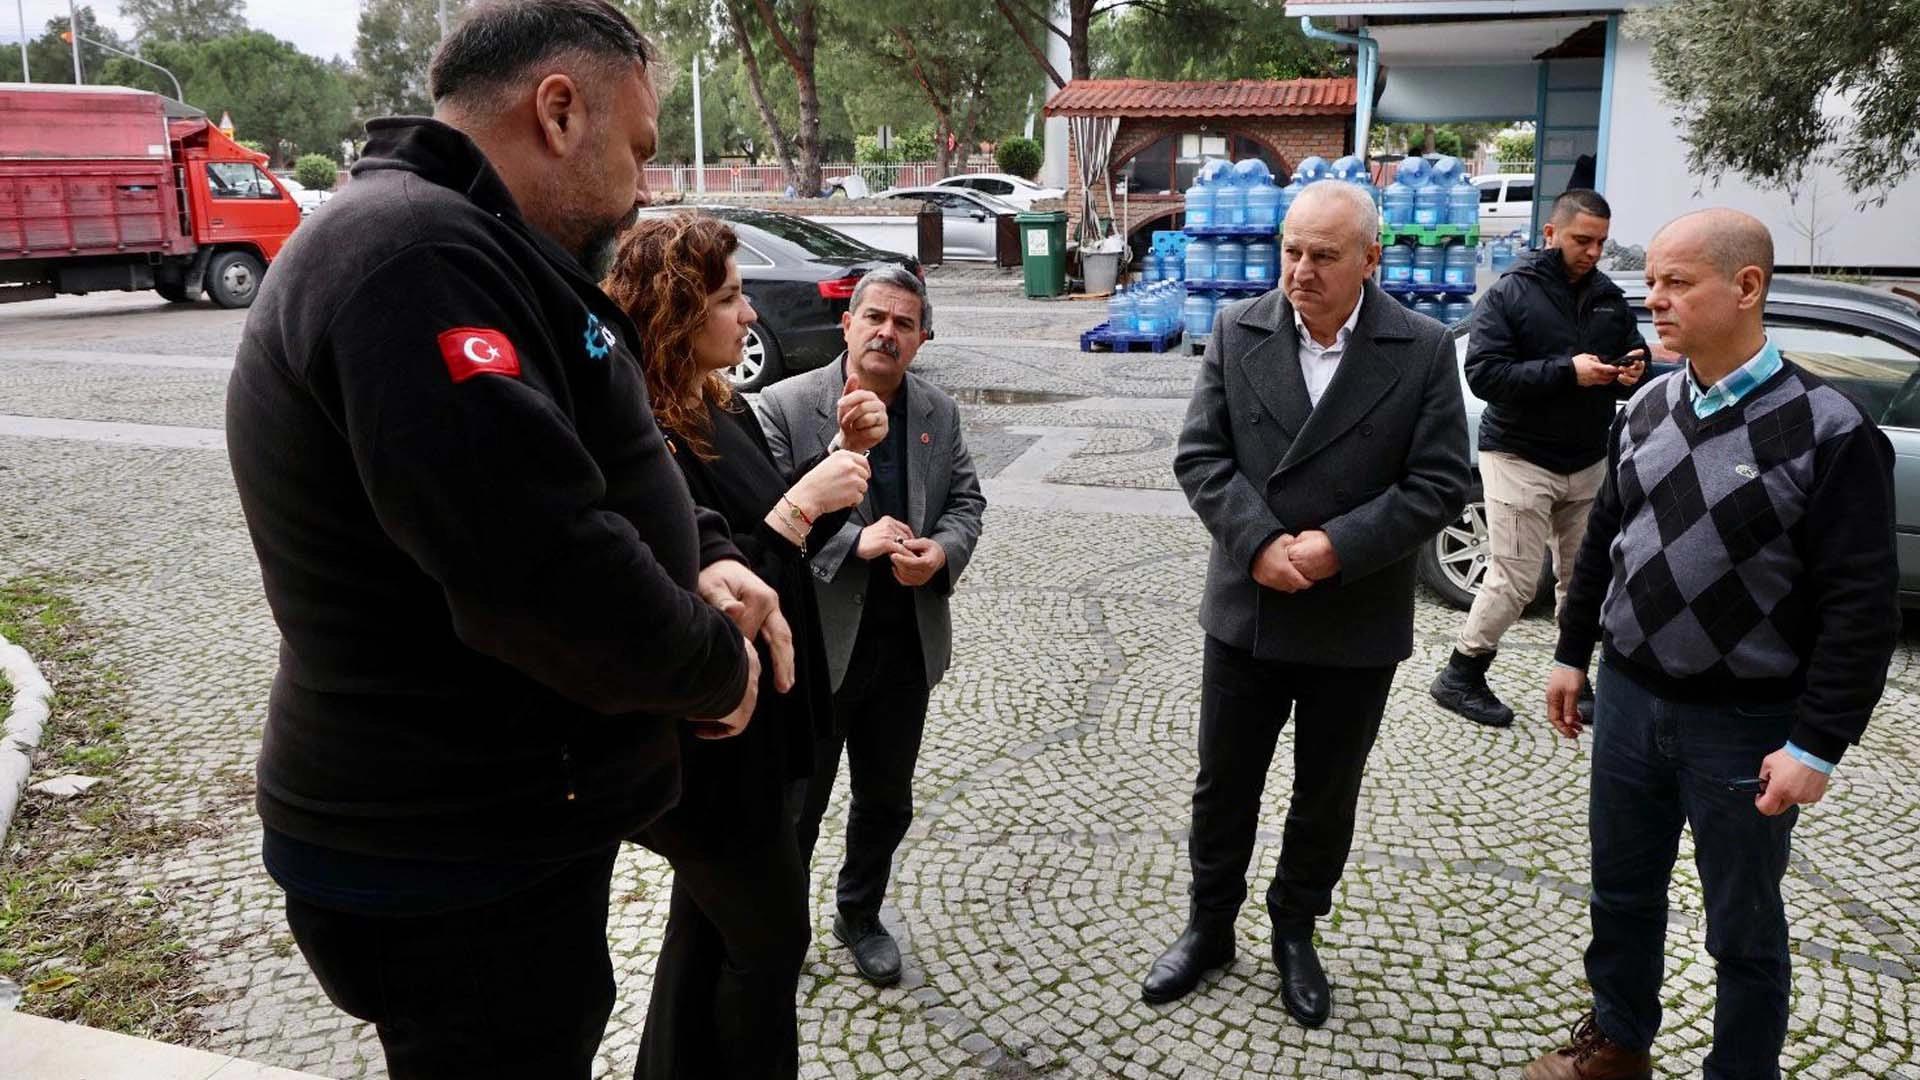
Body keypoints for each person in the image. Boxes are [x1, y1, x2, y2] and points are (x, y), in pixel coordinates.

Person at [224, 5, 789, 1077]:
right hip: (442, 854)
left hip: (492, 834)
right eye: (638, 149)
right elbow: (536, 564)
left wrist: (705, 546)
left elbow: (602, 452)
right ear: (560, 111)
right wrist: (716, 674)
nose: (642, 187)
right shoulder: (414, 256)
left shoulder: (473, 244)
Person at [1525, 209, 1900, 1079]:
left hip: (1744, 725)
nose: (1651, 300)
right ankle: (1619, 1044)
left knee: (1744, 928)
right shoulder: (1648, 403)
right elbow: (1605, 544)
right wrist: (1570, 653)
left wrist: (1817, 744)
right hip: (1627, 703)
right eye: (1650, 280)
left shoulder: (1831, 430)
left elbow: (1861, 610)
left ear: (1747, 287)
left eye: (1675, 283)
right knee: (1620, 894)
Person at [1147, 181, 1471, 1025]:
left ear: (1371, 258)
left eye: (1324, 256)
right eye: (1293, 250)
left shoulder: (1425, 346)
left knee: (1327, 791)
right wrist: (1258, 544)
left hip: (1353, 615)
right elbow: (1201, 457)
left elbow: (1438, 482)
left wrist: (1338, 547)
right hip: (1249, 609)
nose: (1300, 271)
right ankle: (1209, 926)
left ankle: (1296, 929)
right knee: (1224, 785)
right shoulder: (1235, 327)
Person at [602, 214, 885, 1079]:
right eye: (729, 298)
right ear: (675, 312)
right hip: (713, 744)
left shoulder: (710, 404)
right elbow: (698, 585)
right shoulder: (640, 437)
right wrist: (804, 504)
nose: (750, 315)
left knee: (707, 928)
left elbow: (757, 536)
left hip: (764, 727)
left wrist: (840, 461)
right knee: (769, 942)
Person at [756, 266, 987, 987]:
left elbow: (968, 503)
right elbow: (763, 515)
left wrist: (940, 554)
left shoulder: (936, 413)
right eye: (875, 317)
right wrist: (850, 544)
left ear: (921, 338)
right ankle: (776, 926)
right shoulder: (785, 407)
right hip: (818, 648)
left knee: (886, 800)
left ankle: (859, 914)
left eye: (905, 322)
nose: (888, 331)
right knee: (800, 804)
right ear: (847, 324)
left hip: (904, 644)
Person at [1430, 189, 1648, 729]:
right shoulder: (1510, 294)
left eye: (1600, 241)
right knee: (1516, 580)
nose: (1593, 251)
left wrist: (1633, 366)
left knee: (1583, 579)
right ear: (1550, 234)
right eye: (1581, 240)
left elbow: (1631, 344)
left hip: (1587, 457)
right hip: (1518, 455)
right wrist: (1566, 371)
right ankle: (1461, 672)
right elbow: (1483, 375)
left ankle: (1574, 671)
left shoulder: (1606, 296)